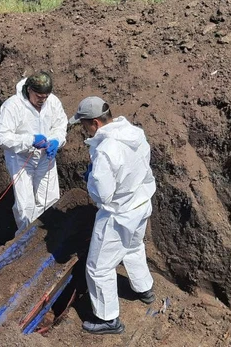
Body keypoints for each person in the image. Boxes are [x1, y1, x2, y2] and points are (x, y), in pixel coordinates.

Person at [69, 96, 157, 335]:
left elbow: (103, 196)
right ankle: (144, 289)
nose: (83, 129)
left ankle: (108, 319)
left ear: (95, 123)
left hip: (120, 213)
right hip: (141, 202)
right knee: (133, 246)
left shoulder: (106, 150)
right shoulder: (133, 132)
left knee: (98, 268)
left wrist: (91, 181)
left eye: (85, 124)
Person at [0, 71, 67, 235]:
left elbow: (60, 126)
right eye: (39, 96)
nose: (42, 100)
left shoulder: (53, 102)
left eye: (46, 97)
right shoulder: (13, 106)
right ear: (29, 90)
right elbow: (2, 137)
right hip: (21, 159)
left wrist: (56, 140)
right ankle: (25, 238)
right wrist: (29, 140)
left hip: (45, 157)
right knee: (25, 205)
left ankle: (43, 237)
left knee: (50, 198)